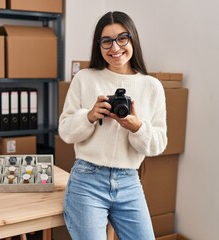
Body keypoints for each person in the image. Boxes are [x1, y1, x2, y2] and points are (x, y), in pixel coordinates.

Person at [58, 11, 167, 240]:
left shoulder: (152, 86)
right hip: (87, 179)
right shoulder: (85, 78)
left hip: (129, 180)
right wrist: (88, 116)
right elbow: (66, 131)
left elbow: (158, 144)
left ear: (132, 39)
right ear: (99, 45)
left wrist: (137, 127)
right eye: (106, 41)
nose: (115, 47)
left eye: (122, 38)